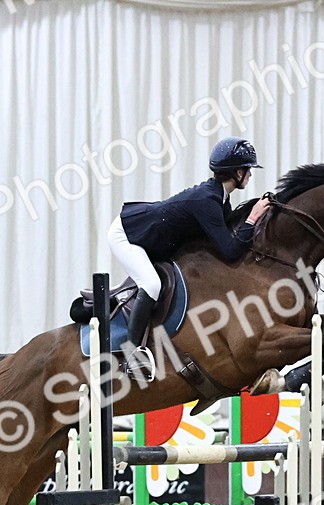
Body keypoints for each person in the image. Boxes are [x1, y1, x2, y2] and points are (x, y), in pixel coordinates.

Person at [107, 136, 272, 378]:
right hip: (126, 234)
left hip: (147, 232)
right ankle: (132, 357)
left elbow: (228, 241)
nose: (249, 175)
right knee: (152, 284)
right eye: (247, 170)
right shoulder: (208, 201)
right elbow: (230, 250)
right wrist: (252, 218)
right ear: (237, 172)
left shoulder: (220, 199)